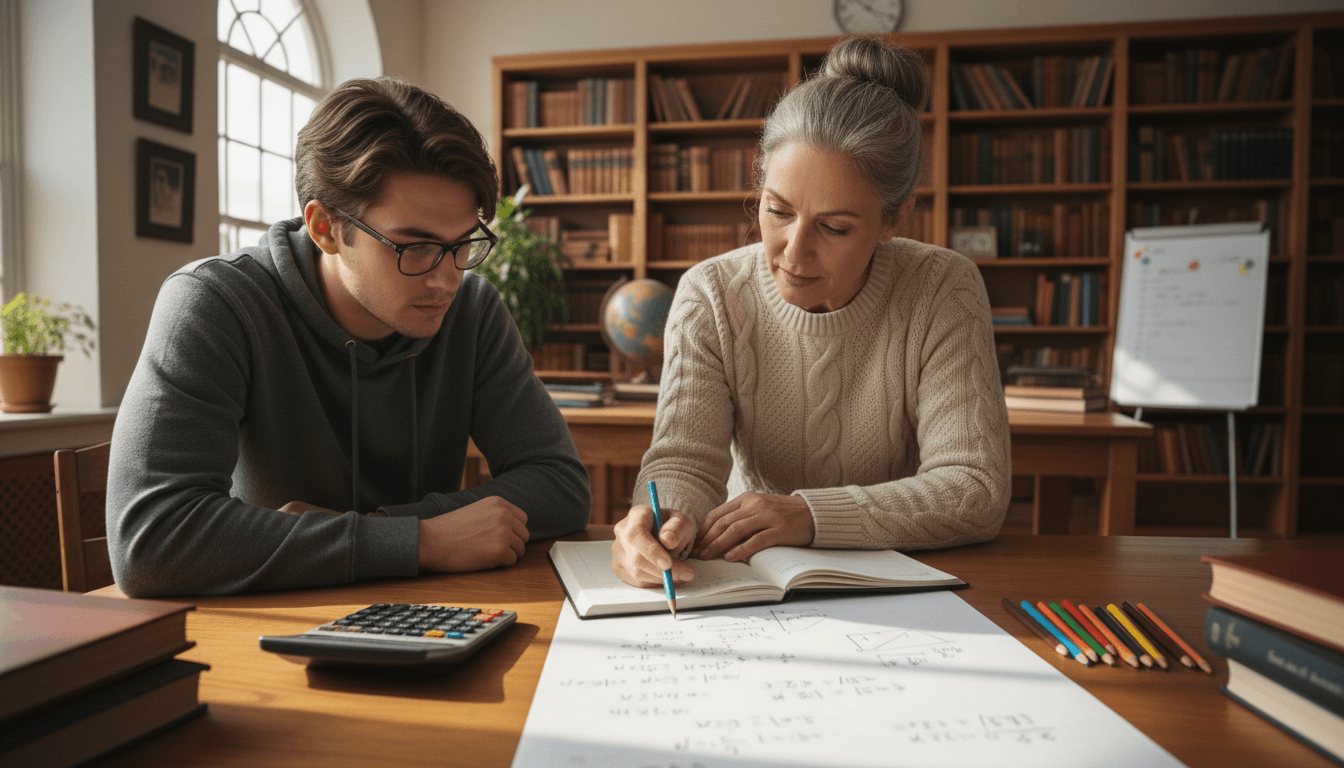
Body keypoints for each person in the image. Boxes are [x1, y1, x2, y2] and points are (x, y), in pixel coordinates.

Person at [108, 77, 590, 597]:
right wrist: (419, 539)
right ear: (325, 228)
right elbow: (149, 538)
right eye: (415, 247)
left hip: (427, 611)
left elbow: (558, 484)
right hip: (270, 622)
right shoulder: (214, 303)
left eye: (462, 244)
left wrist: (388, 528)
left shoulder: (473, 311)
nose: (447, 279)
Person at [611, 35, 1011, 589]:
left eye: (835, 227)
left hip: (903, 581)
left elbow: (974, 488)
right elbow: (684, 460)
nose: (793, 253)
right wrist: (659, 523)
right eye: (778, 211)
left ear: (894, 220)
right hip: (750, 575)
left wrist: (809, 514)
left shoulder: (942, 289)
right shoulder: (710, 293)